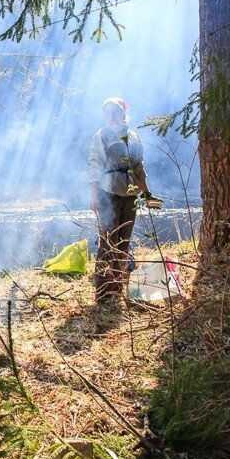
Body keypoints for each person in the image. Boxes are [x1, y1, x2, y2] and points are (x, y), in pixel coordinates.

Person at [87, 97, 161, 306]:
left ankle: (117, 289)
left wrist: (146, 194)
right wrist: (94, 197)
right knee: (108, 242)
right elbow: (94, 166)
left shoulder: (134, 136)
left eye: (115, 111)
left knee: (124, 242)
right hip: (107, 192)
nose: (111, 115)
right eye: (107, 112)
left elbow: (139, 167)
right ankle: (103, 293)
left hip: (130, 195)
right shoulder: (100, 136)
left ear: (123, 112)